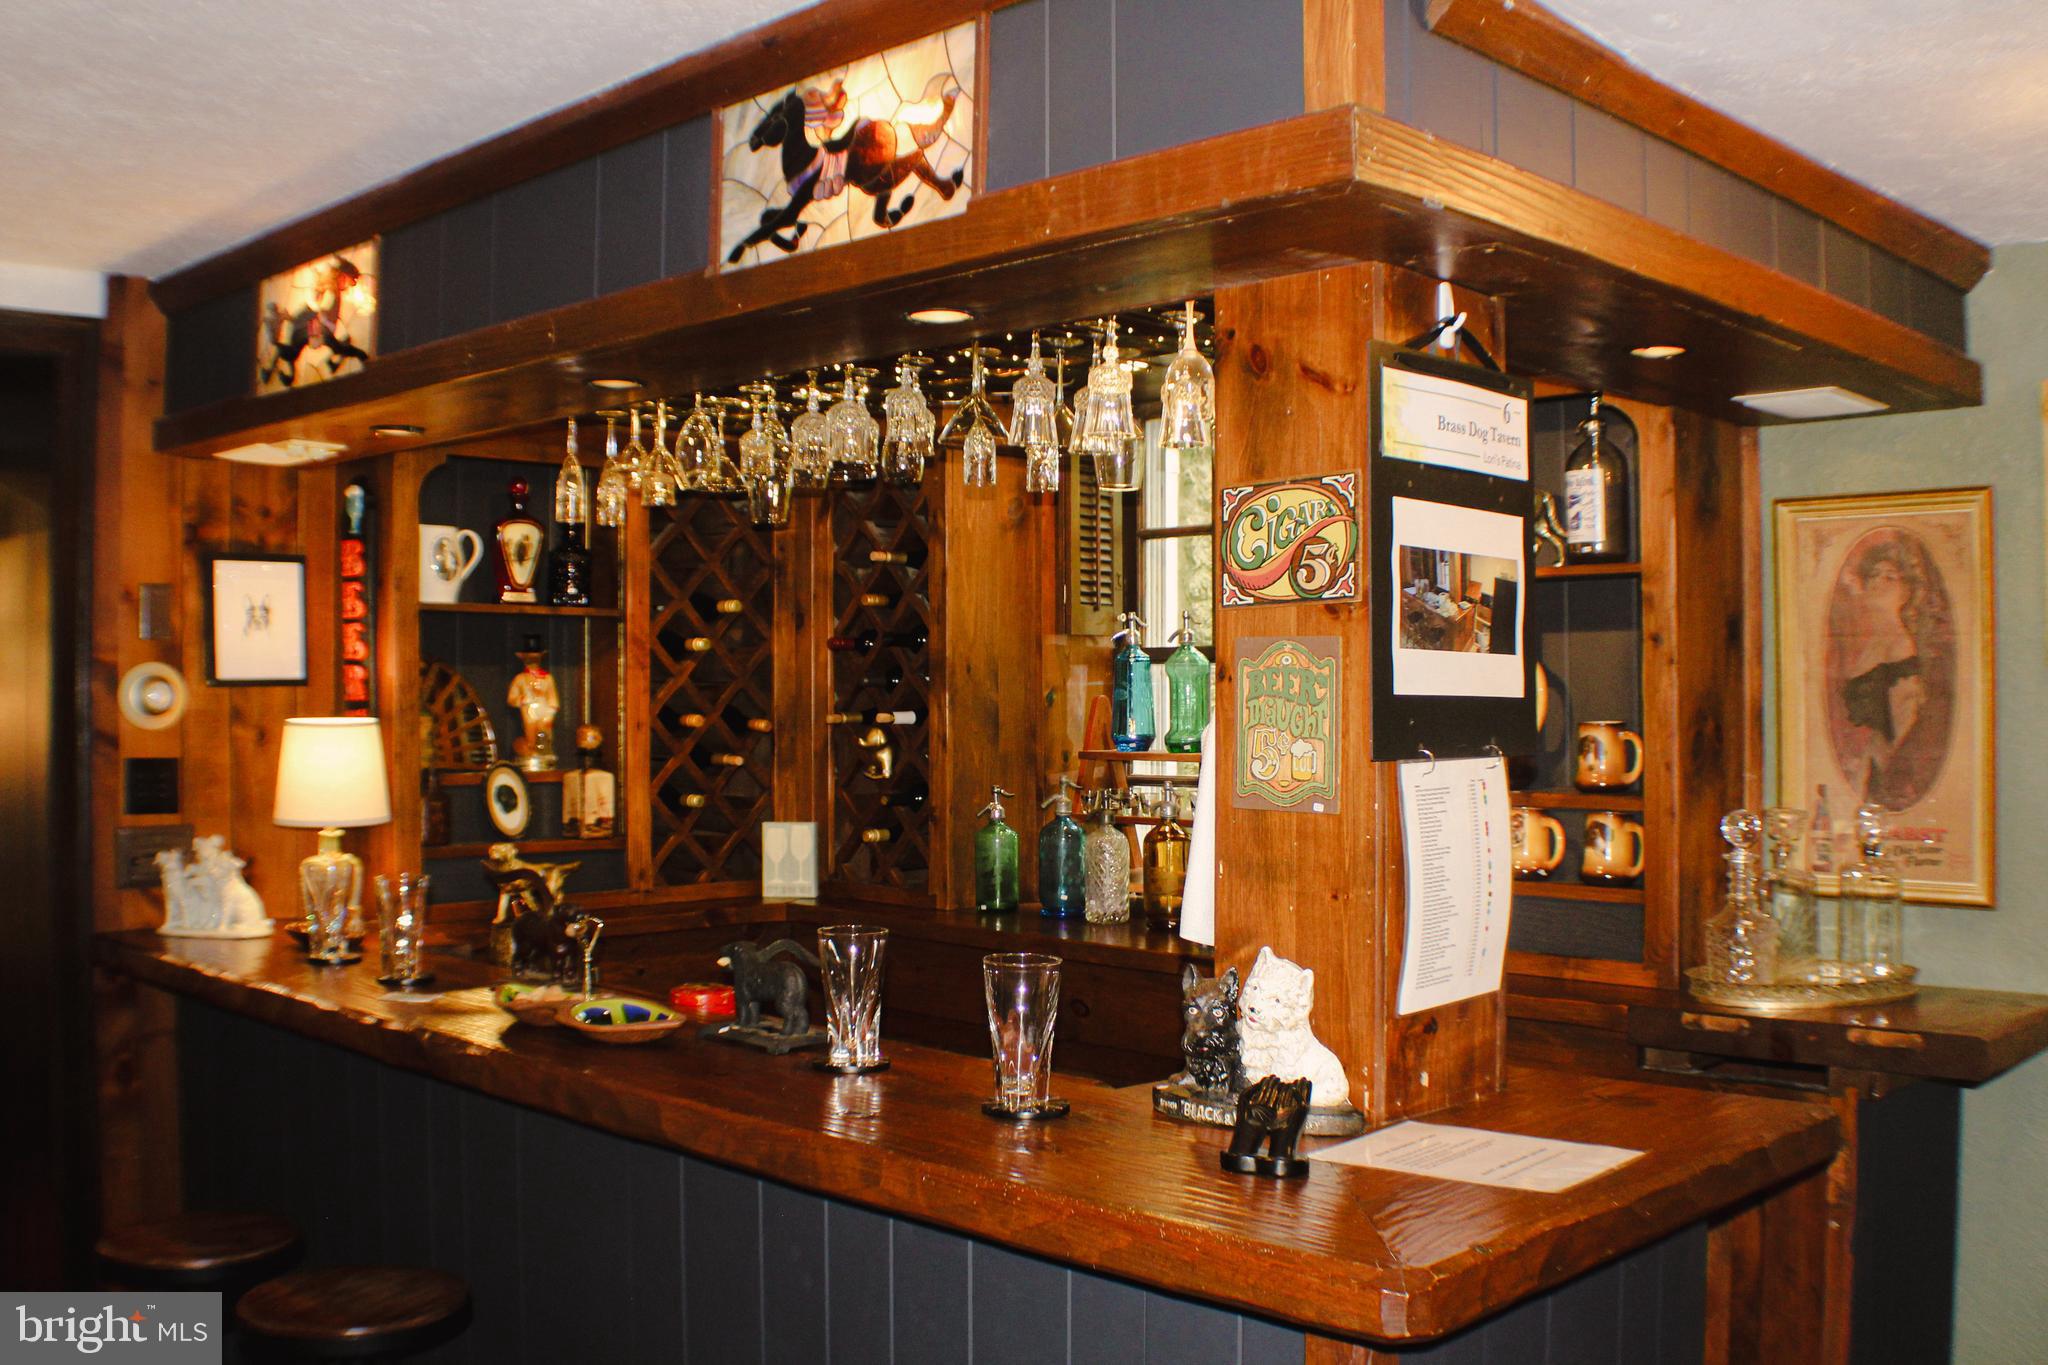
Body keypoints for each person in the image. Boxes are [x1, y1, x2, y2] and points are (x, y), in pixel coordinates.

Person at [1828, 530, 1952, 810]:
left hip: (1882, 776)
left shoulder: (1900, 648)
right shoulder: (1872, 645)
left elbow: (1903, 727)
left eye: (1890, 577)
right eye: (1873, 575)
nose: (1878, 583)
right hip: (1862, 769)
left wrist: (1878, 766)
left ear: (1906, 591)